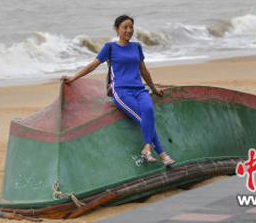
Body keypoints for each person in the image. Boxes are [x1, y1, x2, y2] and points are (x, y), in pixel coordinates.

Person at [62, 15, 176, 167]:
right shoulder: (110, 48)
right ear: (117, 29)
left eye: (131, 27)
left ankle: (147, 147)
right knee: (143, 119)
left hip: (139, 89)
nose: (129, 30)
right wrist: (73, 77)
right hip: (121, 92)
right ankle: (162, 155)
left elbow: (144, 70)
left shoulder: (137, 47)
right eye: (125, 27)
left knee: (148, 110)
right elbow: (93, 65)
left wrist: (154, 89)